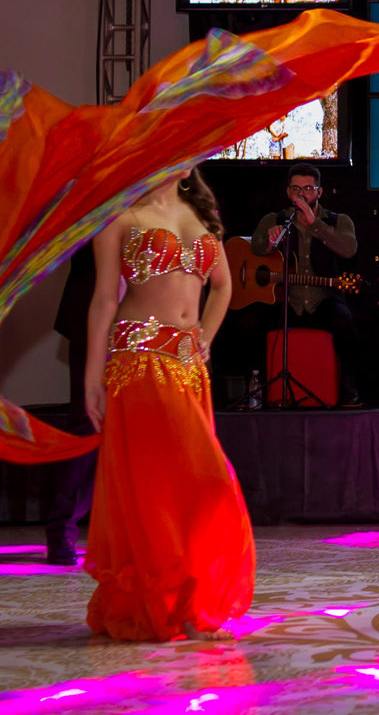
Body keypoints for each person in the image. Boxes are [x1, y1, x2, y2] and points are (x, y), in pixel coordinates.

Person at [83, 168, 254, 640]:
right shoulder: (120, 217)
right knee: (169, 485)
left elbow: (223, 286)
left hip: (189, 369)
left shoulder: (202, 215)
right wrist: (92, 377)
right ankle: (170, 602)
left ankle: (183, 601)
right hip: (139, 362)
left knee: (185, 486)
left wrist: (204, 338)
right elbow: (103, 301)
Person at [251, 163, 361, 406]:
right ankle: (257, 388)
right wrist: (269, 242)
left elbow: (349, 249)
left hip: (323, 301)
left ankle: (348, 388)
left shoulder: (338, 220)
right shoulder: (274, 219)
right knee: (253, 322)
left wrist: (315, 224)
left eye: (308, 188)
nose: (301, 194)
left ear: (319, 192)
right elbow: (254, 248)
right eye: (296, 189)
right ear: (288, 192)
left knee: (344, 322)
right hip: (285, 300)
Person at [43, 246, 98, 565]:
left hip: (148, 318)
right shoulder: (101, 217)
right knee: (88, 422)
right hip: (96, 311)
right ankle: (61, 530)